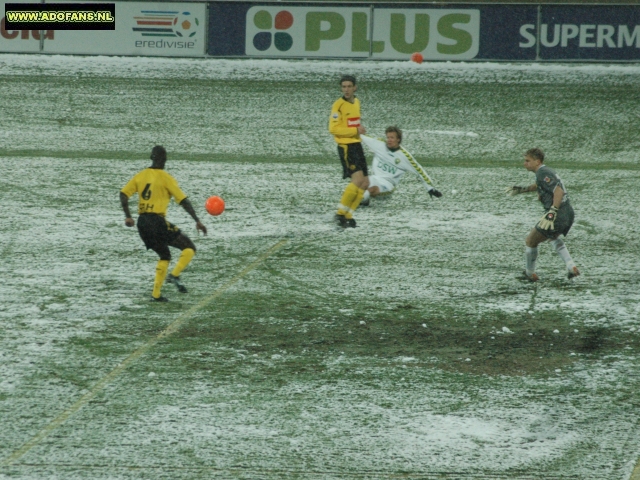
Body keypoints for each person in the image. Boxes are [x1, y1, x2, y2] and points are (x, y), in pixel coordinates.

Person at [120, 146, 207, 302]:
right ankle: (174, 275)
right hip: (157, 221)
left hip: (142, 224)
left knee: (164, 255)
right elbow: (183, 201)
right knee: (189, 247)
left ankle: (156, 295)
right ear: (164, 159)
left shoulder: (140, 176)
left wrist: (128, 216)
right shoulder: (166, 178)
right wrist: (197, 220)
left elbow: (123, 193)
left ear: (151, 158)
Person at [506, 148, 580, 282]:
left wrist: (552, 212)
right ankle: (571, 266)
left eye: (528, 161)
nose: (525, 163)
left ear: (537, 161)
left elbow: (558, 191)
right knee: (553, 237)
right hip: (568, 212)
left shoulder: (543, 172)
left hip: (558, 213)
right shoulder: (544, 173)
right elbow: (540, 185)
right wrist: (523, 189)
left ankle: (530, 274)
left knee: (530, 241)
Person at [359, 126, 442, 205]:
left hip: (388, 185)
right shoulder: (379, 144)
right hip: (374, 178)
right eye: (388, 137)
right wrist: (356, 129)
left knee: (371, 190)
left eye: (392, 138)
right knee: (357, 184)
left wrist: (430, 188)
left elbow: (419, 171)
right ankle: (363, 201)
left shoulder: (405, 156)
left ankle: (360, 201)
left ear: (398, 139)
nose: (389, 140)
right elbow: (359, 136)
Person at [329, 74, 368, 228]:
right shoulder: (338, 105)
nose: (346, 89)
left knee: (365, 183)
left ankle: (349, 216)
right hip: (347, 147)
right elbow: (333, 129)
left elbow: (354, 123)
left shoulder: (356, 102)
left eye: (349, 86)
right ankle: (340, 214)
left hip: (357, 145)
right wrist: (354, 131)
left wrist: (359, 132)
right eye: (343, 86)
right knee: (357, 181)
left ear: (354, 88)